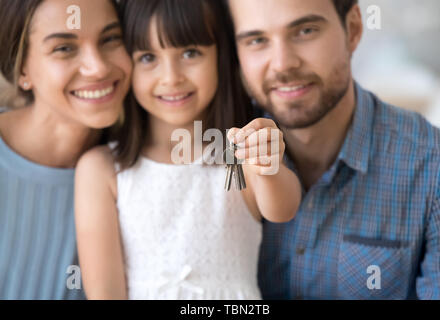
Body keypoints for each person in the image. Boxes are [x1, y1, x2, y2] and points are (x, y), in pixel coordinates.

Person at [74, 0, 301, 300]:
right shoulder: (102, 169)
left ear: (222, 56)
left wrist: (268, 166)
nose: (171, 77)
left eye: (190, 53)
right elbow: (105, 293)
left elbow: (282, 209)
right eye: (147, 58)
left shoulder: (235, 152)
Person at [224, 0, 440, 299]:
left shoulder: (437, 167)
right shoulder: (215, 152)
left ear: (353, 28)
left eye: (305, 30)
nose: (282, 63)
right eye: (257, 40)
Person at [0, 0, 131, 299]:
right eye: (64, 48)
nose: (97, 67)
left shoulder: (138, 168)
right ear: (22, 69)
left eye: (110, 39)